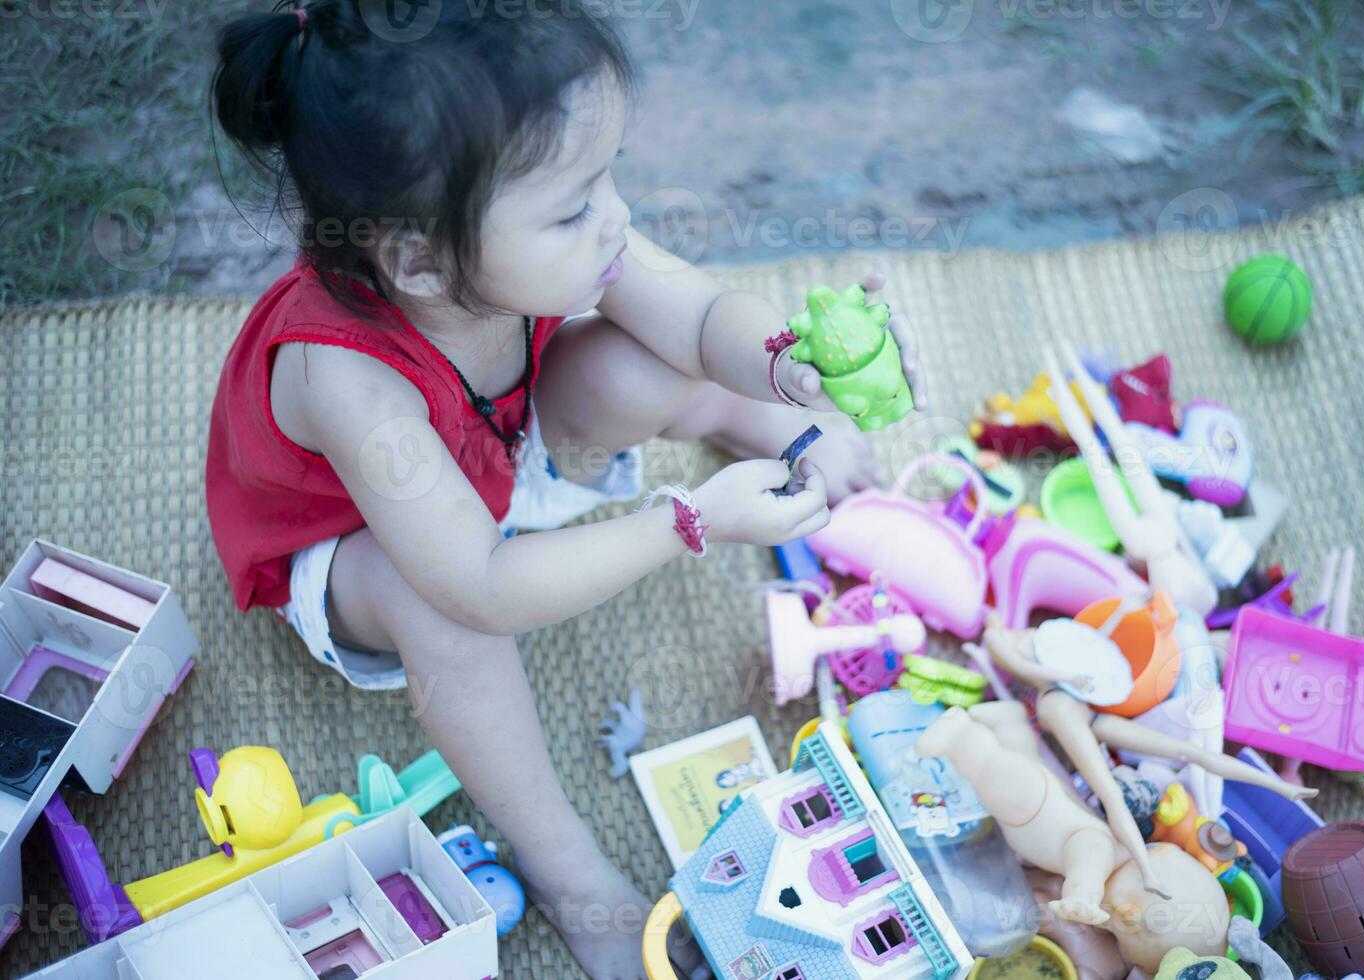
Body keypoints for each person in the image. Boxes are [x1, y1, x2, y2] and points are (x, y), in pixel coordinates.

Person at [204, 2, 927, 975]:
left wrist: (789, 370)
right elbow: (482, 583)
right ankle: (566, 869)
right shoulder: (348, 379)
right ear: (416, 257)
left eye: (608, 177)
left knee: (648, 361)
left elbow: (703, 313)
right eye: (574, 204)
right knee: (442, 615)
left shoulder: (527, 245)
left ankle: (753, 423)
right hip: (368, 550)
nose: (617, 217)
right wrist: (686, 519)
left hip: (498, 447)